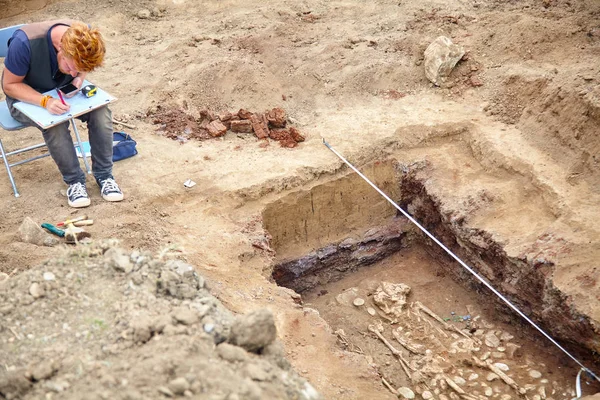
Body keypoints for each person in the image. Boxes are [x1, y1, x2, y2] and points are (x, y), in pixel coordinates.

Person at [1, 20, 123, 208]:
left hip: (61, 90)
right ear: (60, 48)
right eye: (70, 67)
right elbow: (10, 86)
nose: (74, 72)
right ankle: (75, 182)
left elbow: (80, 69)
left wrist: (78, 79)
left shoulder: (87, 37)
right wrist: (44, 101)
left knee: (101, 112)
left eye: (79, 69)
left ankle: (105, 176)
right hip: (27, 96)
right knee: (54, 123)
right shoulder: (23, 43)